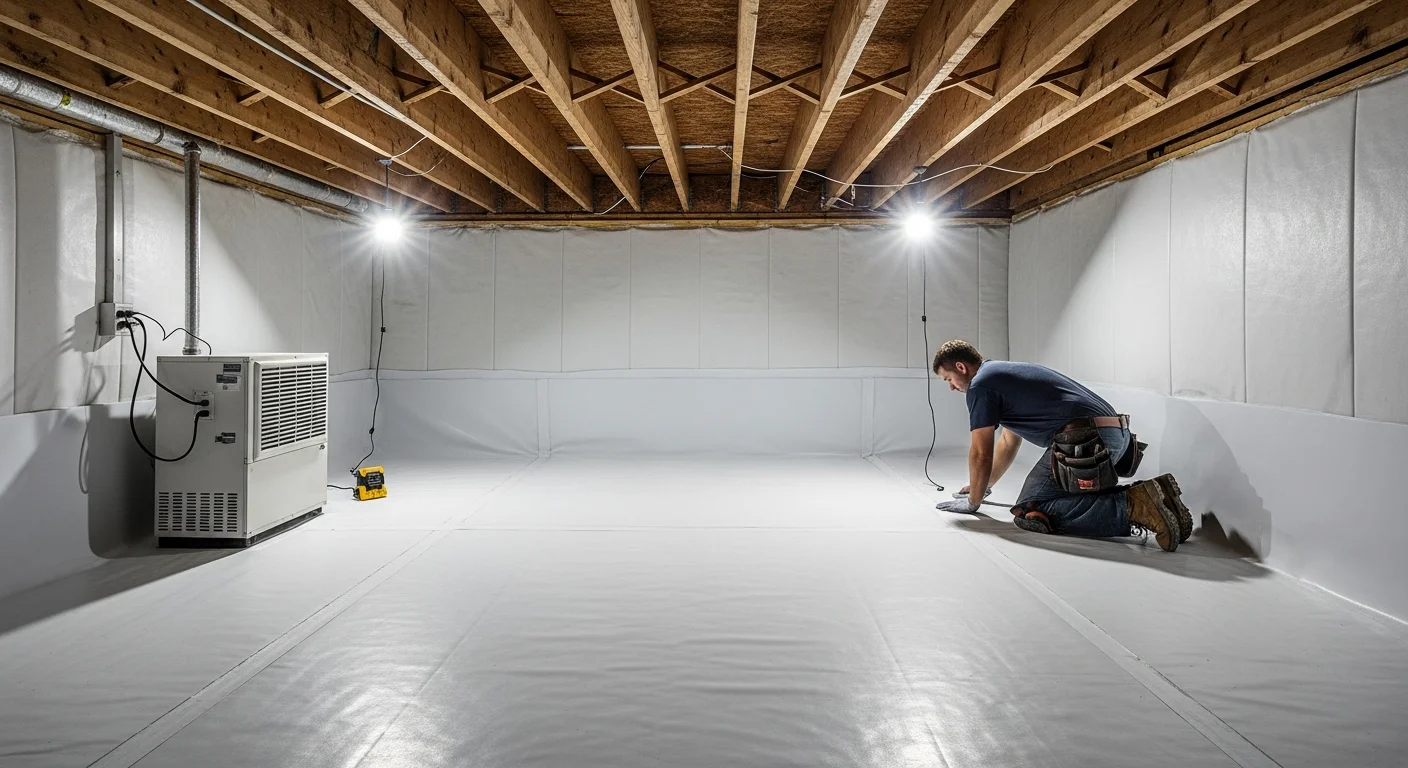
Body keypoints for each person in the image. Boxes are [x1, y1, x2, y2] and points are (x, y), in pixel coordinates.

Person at [929, 340, 1192, 552]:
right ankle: (1160, 496)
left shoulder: (981, 386)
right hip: (1116, 436)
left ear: (961, 367)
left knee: (1031, 508)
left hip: (1086, 440)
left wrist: (972, 503)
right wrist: (983, 487)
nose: (951, 388)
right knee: (1052, 499)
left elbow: (980, 452)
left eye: (947, 379)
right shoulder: (1000, 374)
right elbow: (1008, 441)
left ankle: (1136, 506)